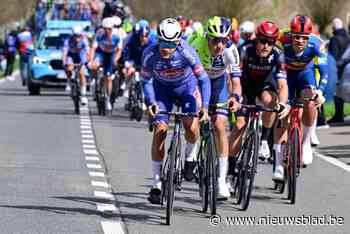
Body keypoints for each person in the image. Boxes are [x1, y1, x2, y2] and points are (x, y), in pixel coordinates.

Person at [142, 18, 211, 204]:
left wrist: (204, 106)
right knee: (160, 131)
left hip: (186, 89)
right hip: (162, 92)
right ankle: (156, 183)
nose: (165, 48)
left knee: (191, 125)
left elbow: (203, 80)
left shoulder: (187, 52)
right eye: (162, 42)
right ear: (158, 39)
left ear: (178, 41)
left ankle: (190, 157)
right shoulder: (149, 54)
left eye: (170, 44)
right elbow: (146, 80)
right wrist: (150, 102)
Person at [229, 21, 289, 181]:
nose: (265, 46)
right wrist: (235, 98)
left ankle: (263, 140)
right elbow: (233, 80)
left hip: (265, 85)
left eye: (270, 42)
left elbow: (283, 85)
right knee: (239, 125)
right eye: (262, 41)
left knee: (270, 100)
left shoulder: (278, 53)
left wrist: (283, 104)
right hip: (245, 85)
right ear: (257, 39)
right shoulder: (245, 50)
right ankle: (229, 169)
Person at [190, 16, 241, 197]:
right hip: (197, 82)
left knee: (220, 124)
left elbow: (235, 81)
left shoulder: (231, 51)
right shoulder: (196, 45)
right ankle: (192, 154)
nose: (219, 45)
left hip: (218, 84)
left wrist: (235, 97)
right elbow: (189, 78)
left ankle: (221, 180)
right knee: (194, 119)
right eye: (215, 40)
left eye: (223, 41)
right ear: (207, 37)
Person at [282, 15, 327, 166]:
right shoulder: (281, 40)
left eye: (304, 37)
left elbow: (324, 71)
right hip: (286, 74)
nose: (300, 41)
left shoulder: (317, 44)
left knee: (311, 101)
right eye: (296, 37)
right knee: (283, 104)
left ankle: (306, 142)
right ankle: (279, 144)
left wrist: (320, 91)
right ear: (291, 35)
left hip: (304, 74)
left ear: (309, 37)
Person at [89, 17, 123, 111]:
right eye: (105, 28)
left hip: (112, 54)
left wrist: (115, 60)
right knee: (95, 64)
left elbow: (119, 50)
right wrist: (91, 61)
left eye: (109, 29)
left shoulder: (117, 34)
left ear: (113, 28)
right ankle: (94, 81)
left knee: (108, 78)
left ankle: (108, 98)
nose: (107, 30)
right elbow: (93, 48)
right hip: (101, 52)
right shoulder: (99, 33)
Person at [328, 18, 350, 124]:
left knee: (337, 93)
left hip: (340, 69)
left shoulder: (334, 39)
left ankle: (338, 116)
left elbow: (333, 57)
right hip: (347, 69)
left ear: (333, 27)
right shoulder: (348, 38)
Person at [62, 25, 90, 105]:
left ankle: (83, 95)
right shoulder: (68, 40)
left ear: (82, 35)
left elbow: (87, 52)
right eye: (75, 36)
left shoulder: (84, 40)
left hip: (81, 55)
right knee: (69, 68)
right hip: (71, 55)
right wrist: (64, 63)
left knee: (81, 73)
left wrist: (87, 62)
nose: (77, 38)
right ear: (73, 35)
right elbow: (65, 53)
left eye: (79, 36)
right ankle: (69, 82)